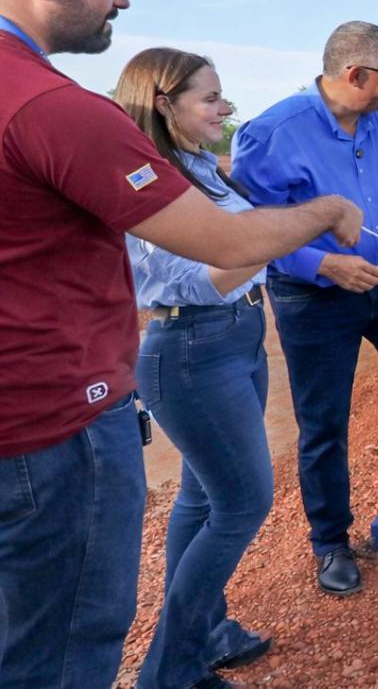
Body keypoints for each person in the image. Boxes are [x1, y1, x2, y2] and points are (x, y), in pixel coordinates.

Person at [0, 0, 361, 689]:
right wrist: (326, 212)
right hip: (57, 417)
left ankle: (193, 641)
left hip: (73, 399)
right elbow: (222, 245)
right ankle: (173, 666)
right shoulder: (53, 109)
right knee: (66, 644)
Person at [231, 20, 378, 597]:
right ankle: (330, 541)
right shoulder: (273, 132)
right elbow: (251, 228)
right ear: (355, 74)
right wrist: (323, 264)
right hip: (311, 297)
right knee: (325, 422)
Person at [117, 49, 276, 688]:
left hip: (238, 336)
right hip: (191, 348)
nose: (225, 108)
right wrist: (284, 232)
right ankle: (168, 673)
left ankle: (206, 632)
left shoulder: (200, 168)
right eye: (209, 98)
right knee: (243, 502)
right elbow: (196, 281)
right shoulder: (148, 182)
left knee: (202, 494)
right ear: (164, 103)